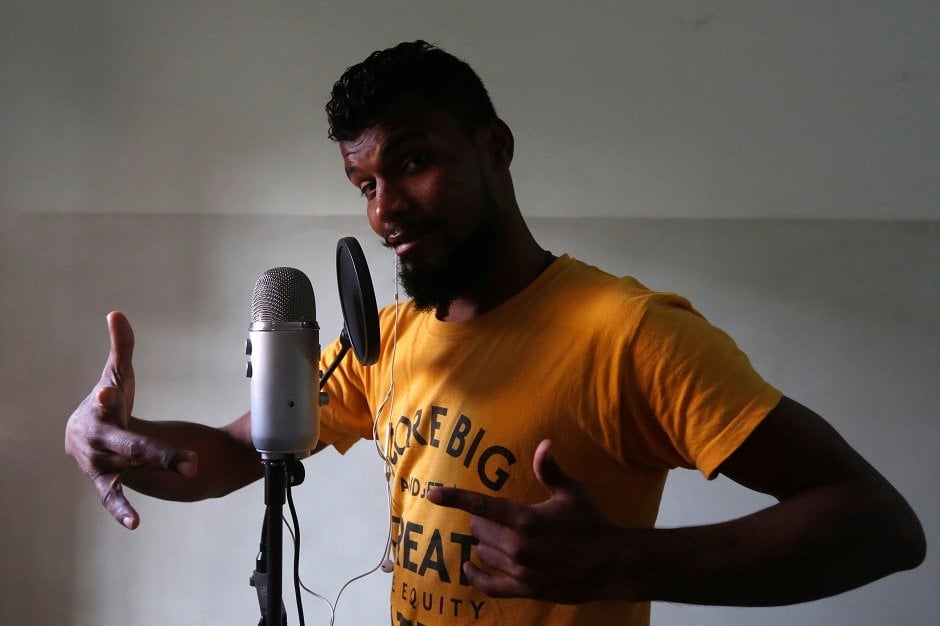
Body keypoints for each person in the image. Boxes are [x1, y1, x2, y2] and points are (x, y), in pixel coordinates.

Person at [65, 41, 925, 625]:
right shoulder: (386, 339)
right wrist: (120, 443)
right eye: (362, 181)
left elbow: (878, 525)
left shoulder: (630, 337)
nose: (384, 208)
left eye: (411, 161)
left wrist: (626, 562)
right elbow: (229, 454)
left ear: (495, 146)